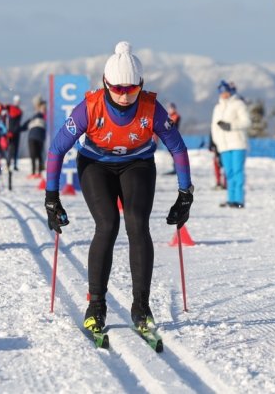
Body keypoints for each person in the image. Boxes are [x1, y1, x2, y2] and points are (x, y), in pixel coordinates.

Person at [43, 41, 193, 336]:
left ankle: (141, 307)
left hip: (137, 164)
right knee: (107, 224)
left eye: (131, 89)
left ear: (141, 85)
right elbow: (57, 150)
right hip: (95, 165)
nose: (124, 97)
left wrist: (185, 194)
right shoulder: (89, 107)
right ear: (105, 83)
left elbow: (178, 149)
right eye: (117, 89)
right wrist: (51, 197)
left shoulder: (152, 108)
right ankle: (96, 305)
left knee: (137, 224)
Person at [211, 80, 250, 208]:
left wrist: (231, 126)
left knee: (238, 171)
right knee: (229, 172)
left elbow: (247, 122)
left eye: (226, 92)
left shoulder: (238, 104)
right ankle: (231, 199)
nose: (224, 95)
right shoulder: (217, 108)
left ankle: (238, 200)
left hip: (238, 144)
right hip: (223, 146)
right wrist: (217, 143)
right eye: (221, 92)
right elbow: (214, 127)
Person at [21, 99, 47, 178]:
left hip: (39, 137)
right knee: (33, 155)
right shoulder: (34, 117)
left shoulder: (46, 116)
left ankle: (38, 172)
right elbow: (24, 126)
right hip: (32, 137)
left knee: (38, 155)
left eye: (44, 108)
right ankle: (33, 172)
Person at [6, 95, 23, 171]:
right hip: (11, 132)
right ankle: (9, 163)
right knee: (10, 148)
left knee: (15, 149)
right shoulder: (10, 108)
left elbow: (17, 123)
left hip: (15, 132)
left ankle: (14, 164)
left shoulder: (19, 111)